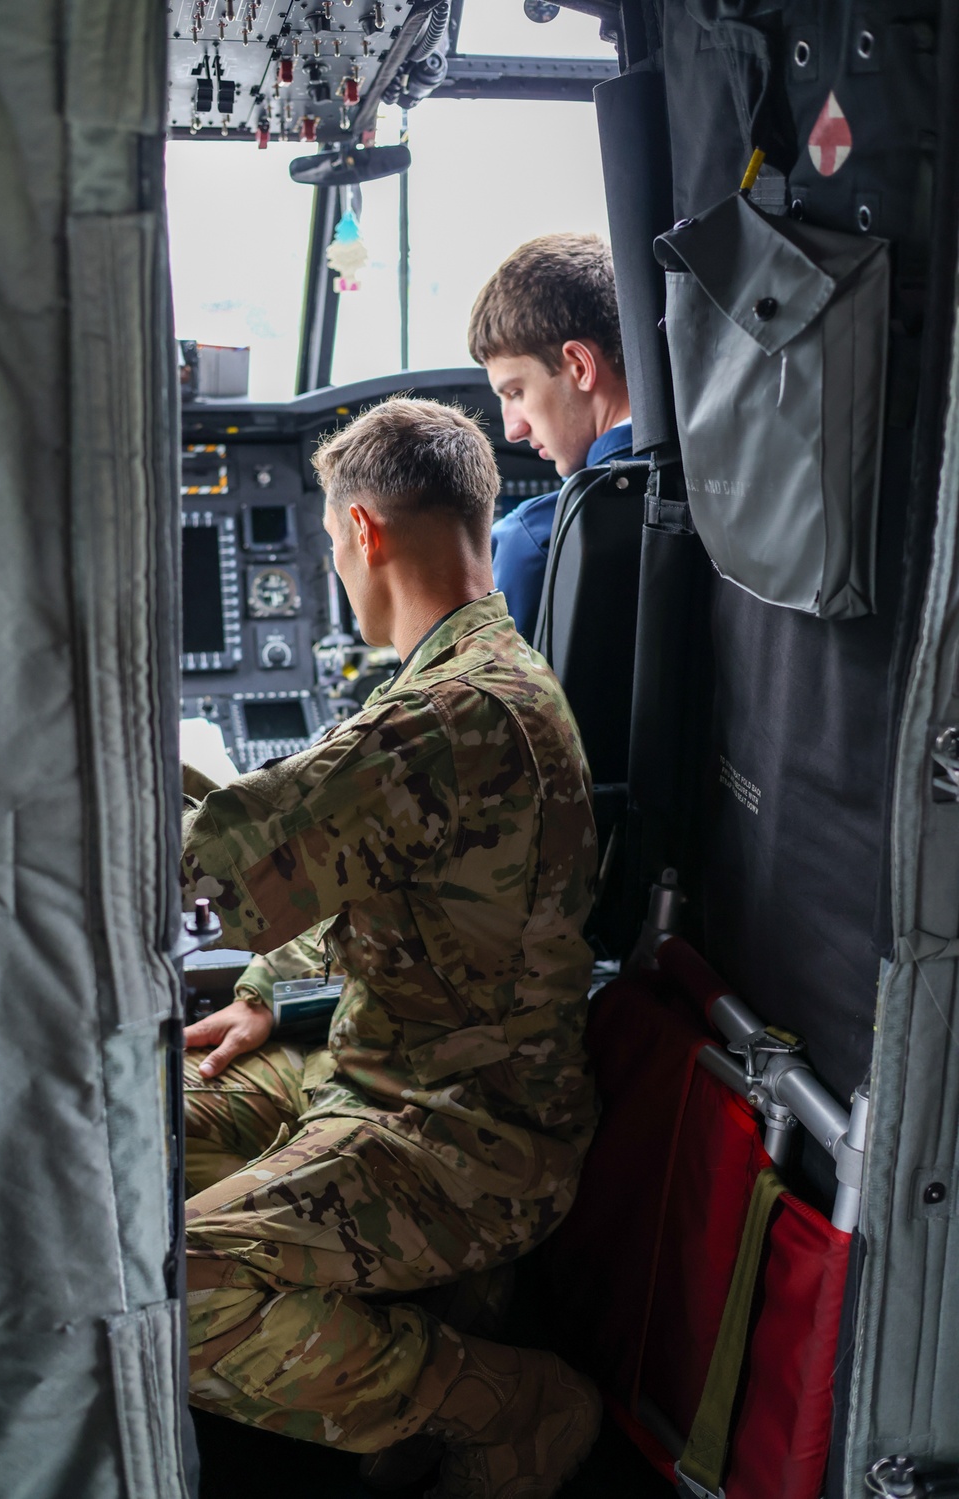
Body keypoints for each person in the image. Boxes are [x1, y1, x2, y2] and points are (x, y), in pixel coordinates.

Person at [179, 397, 601, 1499]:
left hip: (460, 1133)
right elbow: (369, 872)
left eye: (328, 539)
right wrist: (269, 990)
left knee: (169, 1283)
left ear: (362, 530)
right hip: (373, 1062)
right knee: (123, 1129)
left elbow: (218, 856)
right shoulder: (468, 681)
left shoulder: (455, 714)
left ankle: (512, 1405)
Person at [468, 233, 633, 642]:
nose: (512, 429)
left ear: (580, 366)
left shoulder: (536, 541)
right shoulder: (721, 481)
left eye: (516, 393)